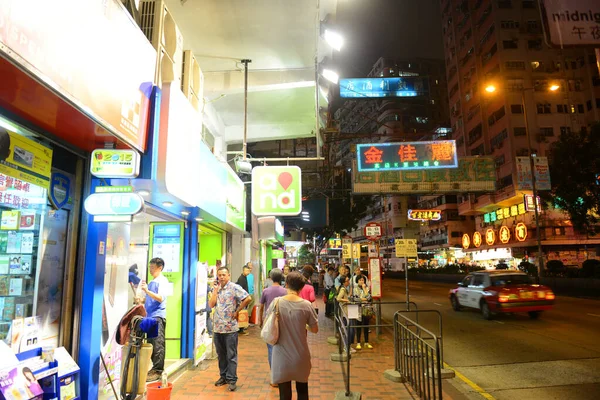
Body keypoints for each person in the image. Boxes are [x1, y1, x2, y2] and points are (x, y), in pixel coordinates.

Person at [270, 272, 318, 400]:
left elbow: (268, 323)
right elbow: (315, 329)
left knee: (284, 395)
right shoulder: (306, 305)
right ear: (301, 287)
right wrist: (304, 325)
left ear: (286, 284)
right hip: (300, 355)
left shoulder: (276, 303)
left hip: (281, 356)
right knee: (303, 392)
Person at [209, 266, 251, 392]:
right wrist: (215, 291)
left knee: (231, 355)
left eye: (224, 275)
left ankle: (232, 380)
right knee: (221, 355)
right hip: (217, 328)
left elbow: (247, 298)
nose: (221, 277)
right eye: (219, 275)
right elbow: (211, 304)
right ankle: (223, 376)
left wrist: (237, 310)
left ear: (228, 275)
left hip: (230, 328)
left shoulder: (234, 287)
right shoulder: (216, 289)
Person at [259, 268, 287, 387]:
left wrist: (260, 320)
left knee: (271, 349)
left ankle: (274, 378)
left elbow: (261, 307)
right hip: (282, 322)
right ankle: (282, 376)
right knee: (282, 348)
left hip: (269, 322)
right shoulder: (285, 291)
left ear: (270, 278)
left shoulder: (266, 291)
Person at [141, 258, 169, 382]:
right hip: (150, 317)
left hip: (157, 317)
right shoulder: (153, 281)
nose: (150, 270)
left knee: (158, 344)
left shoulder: (162, 281)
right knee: (151, 343)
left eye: (152, 267)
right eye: (150, 267)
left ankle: (158, 370)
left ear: (160, 267)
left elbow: (160, 298)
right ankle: (154, 368)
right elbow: (151, 299)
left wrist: (147, 290)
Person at [336, 275, 356, 353]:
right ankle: (347, 347)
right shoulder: (343, 289)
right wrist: (347, 301)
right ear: (344, 282)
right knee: (349, 330)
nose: (348, 282)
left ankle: (348, 346)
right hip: (346, 312)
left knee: (349, 330)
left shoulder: (344, 288)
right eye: (347, 280)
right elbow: (338, 298)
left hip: (346, 312)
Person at [354, 275, 373, 350]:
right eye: (360, 280)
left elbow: (369, 298)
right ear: (357, 281)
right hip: (358, 309)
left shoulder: (367, 288)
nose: (362, 281)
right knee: (358, 326)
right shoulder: (355, 289)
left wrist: (365, 289)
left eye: (363, 280)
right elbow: (355, 298)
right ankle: (358, 342)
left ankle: (366, 342)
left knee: (366, 325)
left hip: (366, 309)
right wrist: (363, 299)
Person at [236, 264, 252, 335]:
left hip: (245, 298)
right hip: (242, 299)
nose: (248, 272)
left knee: (243, 313)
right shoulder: (241, 278)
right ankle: (240, 329)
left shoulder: (245, 277)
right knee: (242, 313)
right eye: (246, 270)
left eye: (248, 271)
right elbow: (241, 289)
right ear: (243, 270)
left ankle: (241, 329)